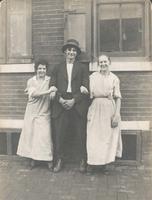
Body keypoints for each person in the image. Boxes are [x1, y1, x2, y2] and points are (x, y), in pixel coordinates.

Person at [50, 39, 89, 173]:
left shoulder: (82, 68)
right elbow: (52, 86)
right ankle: (59, 160)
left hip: (77, 104)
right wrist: (60, 99)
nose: (71, 52)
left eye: (74, 50)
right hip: (61, 103)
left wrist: (74, 100)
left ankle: (83, 160)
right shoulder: (57, 67)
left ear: (76, 53)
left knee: (80, 134)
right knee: (59, 134)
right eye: (69, 50)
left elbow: (86, 87)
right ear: (65, 52)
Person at [17, 59, 57, 171]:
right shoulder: (31, 81)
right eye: (39, 68)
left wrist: (53, 92)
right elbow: (34, 94)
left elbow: (54, 89)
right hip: (32, 112)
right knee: (32, 136)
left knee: (44, 137)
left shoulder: (49, 80)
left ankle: (48, 160)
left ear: (46, 70)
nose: (41, 70)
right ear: (36, 69)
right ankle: (33, 159)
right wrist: (49, 91)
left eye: (44, 68)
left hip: (44, 112)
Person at [86, 55, 122, 175]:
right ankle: (92, 163)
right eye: (100, 62)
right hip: (95, 106)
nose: (103, 64)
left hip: (109, 108)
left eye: (105, 61)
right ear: (98, 64)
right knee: (93, 135)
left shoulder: (114, 78)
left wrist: (116, 114)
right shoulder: (92, 77)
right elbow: (88, 94)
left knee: (107, 136)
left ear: (109, 62)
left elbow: (118, 98)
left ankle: (106, 164)